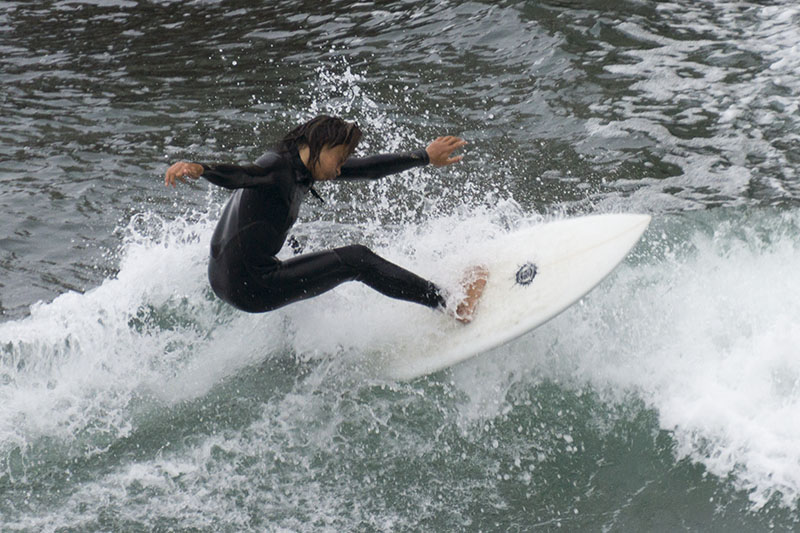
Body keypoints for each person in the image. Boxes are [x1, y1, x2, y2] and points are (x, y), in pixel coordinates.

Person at [164, 115, 487, 323]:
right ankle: (449, 303)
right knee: (356, 259)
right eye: (340, 157)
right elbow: (242, 175)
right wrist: (203, 169)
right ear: (318, 145)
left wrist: (424, 157)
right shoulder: (276, 168)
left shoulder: (302, 167)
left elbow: (367, 169)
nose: (341, 167)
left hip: (229, 279)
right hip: (251, 285)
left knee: (313, 250)